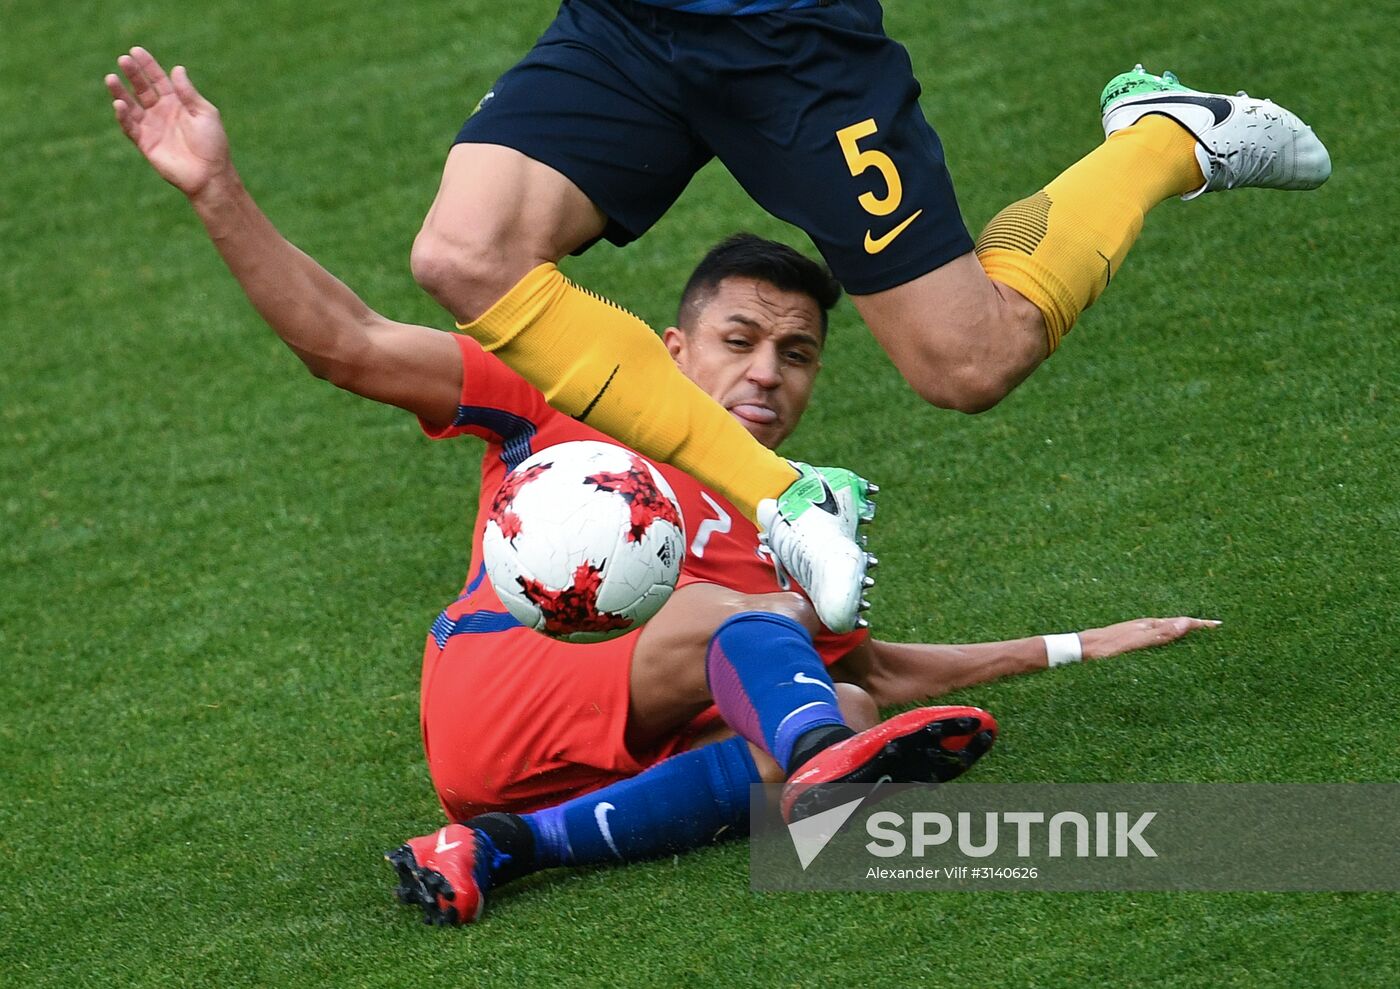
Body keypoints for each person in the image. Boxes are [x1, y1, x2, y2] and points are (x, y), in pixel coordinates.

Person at [104, 51, 1219, 927]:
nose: (764, 374)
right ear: (671, 348)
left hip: (557, 763)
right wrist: (216, 190)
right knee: (782, 654)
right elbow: (345, 343)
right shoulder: (564, 387)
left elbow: (871, 662)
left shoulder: (781, 513)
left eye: (794, 355)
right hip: (495, 687)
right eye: (739, 341)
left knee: (855, 703)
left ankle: (497, 847)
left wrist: (1071, 645)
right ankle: (812, 759)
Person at [406, 1, 1332, 635]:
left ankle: (1167, 138)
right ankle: (788, 496)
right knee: (465, 252)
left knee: (968, 359)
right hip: (626, 28)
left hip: (787, 40)